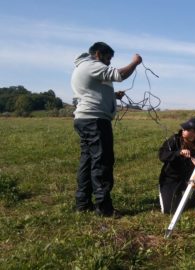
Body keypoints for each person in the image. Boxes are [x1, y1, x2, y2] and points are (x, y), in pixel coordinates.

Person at [71, 41, 142, 217]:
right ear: (97, 54)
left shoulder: (85, 67)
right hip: (95, 121)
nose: (109, 62)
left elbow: (93, 91)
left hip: (85, 119)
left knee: (88, 162)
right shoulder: (91, 65)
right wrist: (135, 62)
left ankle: (83, 203)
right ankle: (104, 208)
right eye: (107, 58)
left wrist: (113, 96)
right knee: (102, 162)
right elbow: (120, 75)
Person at [158, 117, 195, 214]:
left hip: (188, 177)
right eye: (184, 128)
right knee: (169, 210)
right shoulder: (174, 139)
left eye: (186, 129)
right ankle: (176, 195)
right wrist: (178, 153)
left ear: (194, 133)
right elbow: (162, 155)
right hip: (171, 178)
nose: (183, 130)